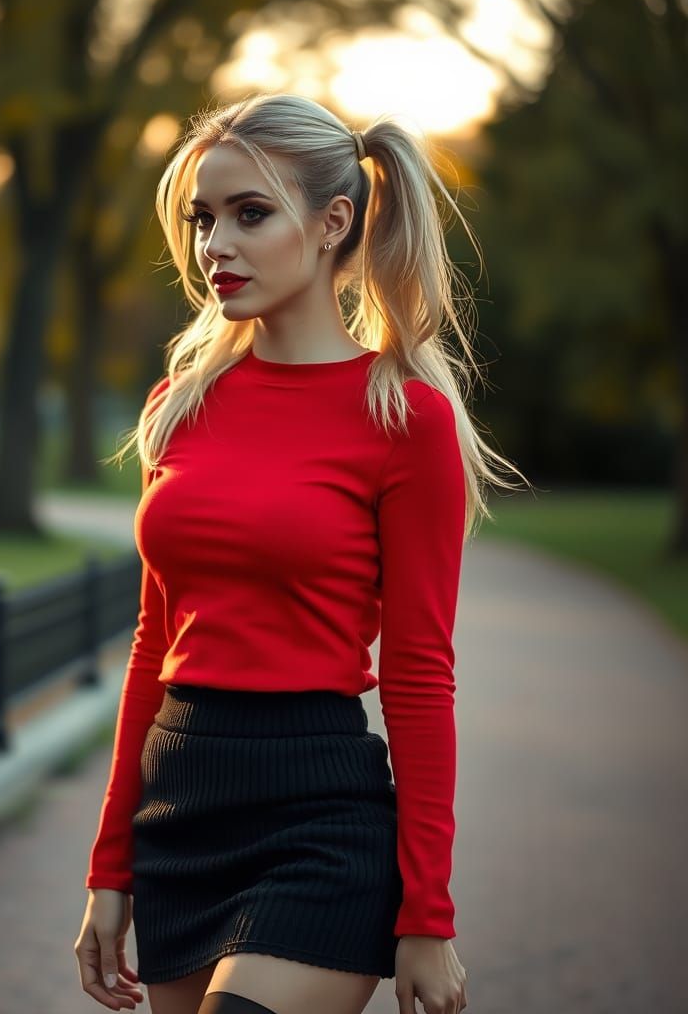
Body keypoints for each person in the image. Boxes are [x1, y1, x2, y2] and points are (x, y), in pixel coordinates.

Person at [73, 92, 526, 1014]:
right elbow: (152, 648)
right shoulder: (180, 403)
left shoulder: (405, 419)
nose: (214, 246)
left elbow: (418, 672)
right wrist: (108, 864)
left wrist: (427, 917)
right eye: (204, 218)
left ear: (332, 224)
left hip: (318, 815)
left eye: (250, 213)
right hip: (182, 807)